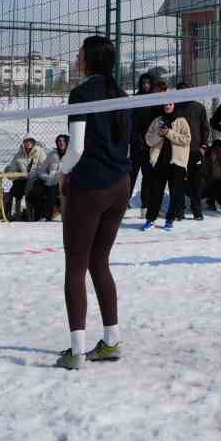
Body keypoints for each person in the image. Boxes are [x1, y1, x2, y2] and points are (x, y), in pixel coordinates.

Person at [54, 34, 132, 370]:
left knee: (76, 264)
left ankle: (76, 351)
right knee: (99, 261)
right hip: (120, 185)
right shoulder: (122, 95)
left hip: (91, 188)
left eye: (79, 54)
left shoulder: (82, 93)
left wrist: (61, 171)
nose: (76, 58)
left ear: (90, 60)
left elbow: (77, 149)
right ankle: (111, 341)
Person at [143, 101, 192, 230]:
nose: (167, 106)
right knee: (156, 192)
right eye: (165, 104)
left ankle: (170, 220)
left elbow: (187, 139)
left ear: (174, 105)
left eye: (170, 104)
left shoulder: (181, 121)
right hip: (160, 162)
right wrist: (159, 134)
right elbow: (148, 140)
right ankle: (150, 219)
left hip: (177, 162)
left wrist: (169, 133)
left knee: (175, 193)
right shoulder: (157, 120)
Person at [129, 70, 165, 215]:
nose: (145, 85)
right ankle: (123, 204)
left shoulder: (155, 100)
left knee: (148, 176)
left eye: (148, 83)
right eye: (143, 83)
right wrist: (137, 139)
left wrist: (152, 140)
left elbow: (158, 122)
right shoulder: (136, 99)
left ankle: (145, 206)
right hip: (137, 145)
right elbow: (131, 123)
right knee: (131, 175)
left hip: (150, 145)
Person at [178, 88, 211, 221]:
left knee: (195, 182)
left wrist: (203, 146)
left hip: (195, 151)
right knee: (178, 181)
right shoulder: (175, 107)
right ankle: (179, 210)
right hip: (179, 151)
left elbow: (205, 128)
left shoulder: (199, 107)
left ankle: (197, 210)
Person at [5, 136, 46, 220]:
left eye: (31, 141)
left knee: (31, 190)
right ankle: (12, 216)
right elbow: (13, 166)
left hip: (36, 180)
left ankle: (32, 216)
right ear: (23, 143)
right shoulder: (19, 154)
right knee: (11, 192)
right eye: (26, 141)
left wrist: (34, 173)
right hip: (22, 179)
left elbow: (44, 167)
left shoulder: (40, 152)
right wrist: (9, 170)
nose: (28, 143)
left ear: (34, 142)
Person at [202, 141, 221, 212]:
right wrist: (212, 161)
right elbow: (205, 174)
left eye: (220, 150)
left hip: (215, 184)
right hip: (204, 185)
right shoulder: (206, 157)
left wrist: (214, 162)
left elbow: (217, 176)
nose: (218, 152)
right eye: (216, 150)